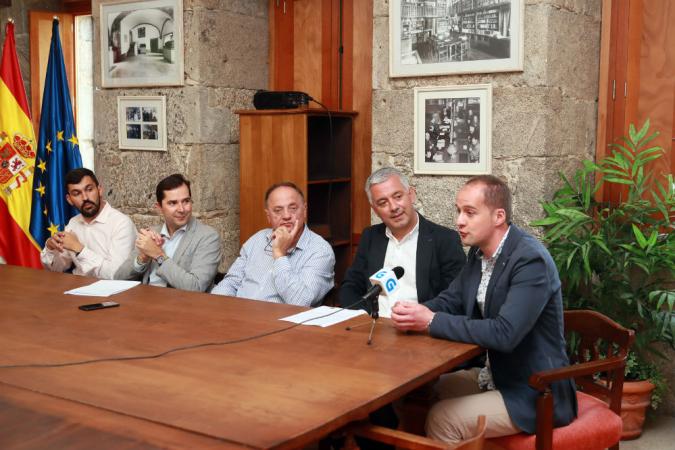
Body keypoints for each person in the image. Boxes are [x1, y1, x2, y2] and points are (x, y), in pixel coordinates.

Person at [390, 175, 577, 444]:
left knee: (443, 418)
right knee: (413, 392)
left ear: (498, 216)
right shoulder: (479, 254)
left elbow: (505, 333)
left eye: (469, 212)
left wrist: (430, 321)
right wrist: (414, 311)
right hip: (495, 374)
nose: (459, 221)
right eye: (458, 211)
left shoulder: (530, 260)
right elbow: (451, 300)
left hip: (535, 388)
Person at [340, 167, 465, 318]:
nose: (393, 207)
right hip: (374, 325)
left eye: (398, 196)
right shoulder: (371, 237)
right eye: (383, 202)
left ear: (411, 195)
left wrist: (417, 316)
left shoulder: (445, 239)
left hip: (420, 329)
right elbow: (351, 286)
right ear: (375, 210)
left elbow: (455, 296)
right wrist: (363, 317)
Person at [211, 181, 334, 307]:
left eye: (293, 208)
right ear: (268, 216)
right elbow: (231, 282)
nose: (286, 216)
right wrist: (212, 306)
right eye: (278, 210)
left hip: (280, 324)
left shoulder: (320, 251)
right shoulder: (257, 239)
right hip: (239, 316)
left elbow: (301, 302)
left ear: (304, 210)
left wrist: (280, 255)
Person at [115, 174, 222, 292]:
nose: (181, 209)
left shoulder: (208, 237)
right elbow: (118, 279)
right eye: (173, 203)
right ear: (159, 207)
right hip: (145, 301)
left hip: (181, 306)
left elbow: (195, 287)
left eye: (186, 201)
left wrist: (158, 255)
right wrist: (143, 258)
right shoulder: (152, 232)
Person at [40, 168, 136, 279]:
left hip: (111, 292)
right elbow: (57, 269)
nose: (85, 198)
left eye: (89, 190)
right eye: (77, 194)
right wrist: (51, 248)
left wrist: (79, 249)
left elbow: (117, 275)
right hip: (77, 288)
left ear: (99, 190)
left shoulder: (121, 224)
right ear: (69, 199)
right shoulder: (73, 223)